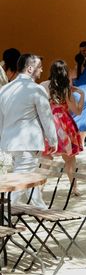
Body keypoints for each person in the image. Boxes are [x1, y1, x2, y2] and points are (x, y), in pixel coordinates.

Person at [0, 54, 57, 208]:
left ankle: (40, 208)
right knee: (22, 180)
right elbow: (47, 117)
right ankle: (4, 212)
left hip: (8, 143)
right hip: (27, 143)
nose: (42, 70)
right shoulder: (36, 90)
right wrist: (53, 140)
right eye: (39, 68)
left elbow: (0, 120)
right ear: (30, 68)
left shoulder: (4, 89)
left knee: (29, 177)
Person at [41, 60, 85, 193]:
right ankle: (74, 188)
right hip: (65, 125)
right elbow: (77, 111)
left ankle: (39, 189)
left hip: (48, 124)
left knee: (46, 158)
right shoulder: (66, 89)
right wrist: (81, 95)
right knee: (70, 158)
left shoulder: (43, 85)